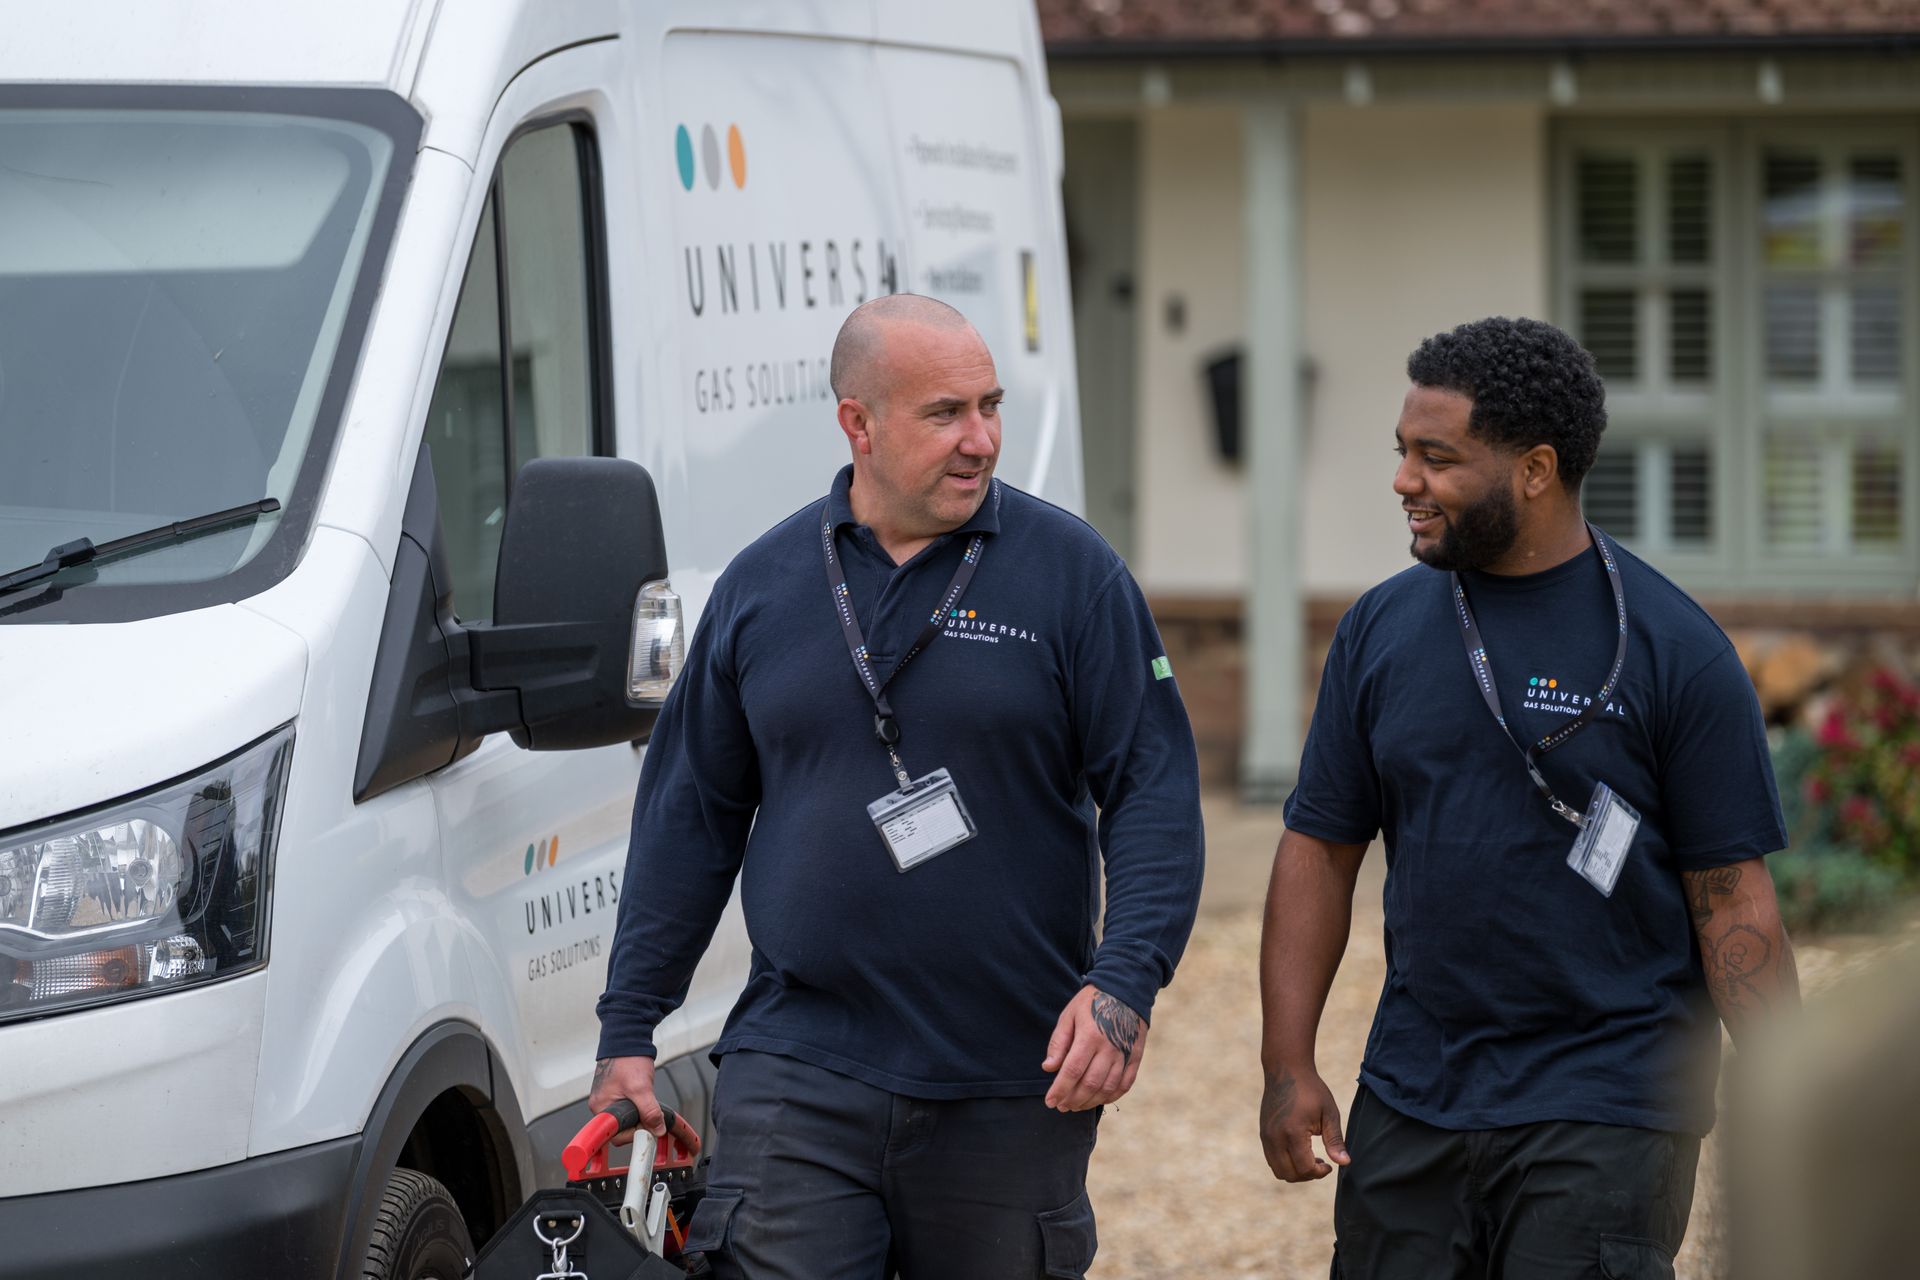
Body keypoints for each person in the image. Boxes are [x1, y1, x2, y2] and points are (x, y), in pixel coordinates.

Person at [591, 293, 1204, 1279]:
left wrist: (1124, 981)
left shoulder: (1073, 575)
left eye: (991, 406)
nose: (982, 439)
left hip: (1010, 1076)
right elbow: (690, 817)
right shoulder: (763, 586)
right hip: (800, 1068)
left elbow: (1155, 790)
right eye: (946, 413)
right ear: (857, 423)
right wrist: (629, 1024)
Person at [1258, 316, 1798, 1277]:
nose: (1403, 482)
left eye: (1436, 458)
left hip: (1610, 1103)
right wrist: (1288, 1063)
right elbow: (1321, 848)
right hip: (1414, 1095)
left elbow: (1732, 901)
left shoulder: (1680, 653)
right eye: (1402, 453)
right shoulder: (1378, 631)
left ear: (1536, 469)